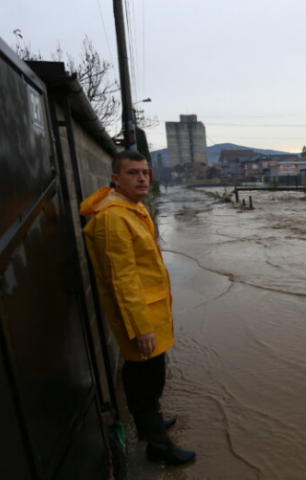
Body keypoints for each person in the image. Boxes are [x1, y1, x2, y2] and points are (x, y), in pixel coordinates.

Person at [79, 150, 196, 466]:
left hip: (150, 311)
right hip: (140, 316)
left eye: (145, 172)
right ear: (115, 178)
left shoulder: (130, 208)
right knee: (146, 379)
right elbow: (123, 279)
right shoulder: (114, 218)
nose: (142, 178)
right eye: (133, 173)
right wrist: (140, 327)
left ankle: (151, 423)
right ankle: (157, 444)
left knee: (147, 375)